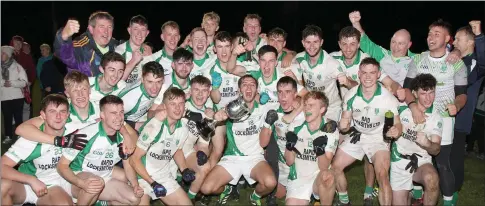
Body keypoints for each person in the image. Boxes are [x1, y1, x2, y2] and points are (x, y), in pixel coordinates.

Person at [401, 19, 468, 206]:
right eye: (430, 34)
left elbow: (463, 94)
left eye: (437, 34)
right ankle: (416, 196)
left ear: (448, 38)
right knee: (414, 155)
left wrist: (457, 105)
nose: (431, 37)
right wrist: (413, 106)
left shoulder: (456, 63)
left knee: (442, 163)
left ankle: (448, 202)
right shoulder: (418, 59)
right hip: (419, 116)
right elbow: (407, 89)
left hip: (444, 119)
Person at [332, 57, 402, 206]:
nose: (368, 76)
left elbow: (397, 123)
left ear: (378, 74)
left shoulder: (387, 98)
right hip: (358, 134)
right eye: (364, 72)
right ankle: (344, 201)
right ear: (358, 74)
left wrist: (397, 131)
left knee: (382, 176)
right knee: (335, 166)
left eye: (372, 72)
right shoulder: (350, 95)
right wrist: (343, 126)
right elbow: (345, 122)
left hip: (378, 138)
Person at [201, 75, 277, 206]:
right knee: (206, 189)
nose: (248, 87)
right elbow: (219, 115)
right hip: (232, 157)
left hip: (254, 158)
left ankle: (255, 195)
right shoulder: (231, 108)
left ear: (257, 90)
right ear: (239, 90)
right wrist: (218, 116)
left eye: (252, 84)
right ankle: (227, 189)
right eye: (244, 85)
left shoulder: (263, 109)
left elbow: (264, 142)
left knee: (270, 183)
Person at [57, 95, 143, 206]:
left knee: (134, 199)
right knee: (96, 183)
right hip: (77, 179)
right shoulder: (85, 135)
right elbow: (61, 166)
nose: (119, 117)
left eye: (121, 112)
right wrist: (82, 184)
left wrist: (135, 185)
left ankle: (102, 202)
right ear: (102, 115)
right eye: (113, 113)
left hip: (104, 177)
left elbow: (127, 165)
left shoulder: (123, 138)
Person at [1, 94, 74, 206]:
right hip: (28, 184)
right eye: (52, 111)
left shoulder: (74, 132)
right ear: (43, 115)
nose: (58, 116)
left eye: (62, 111)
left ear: (68, 114)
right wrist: (31, 180)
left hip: (53, 185)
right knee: (2, 187)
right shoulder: (31, 138)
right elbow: (2, 167)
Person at [130, 87, 194, 206]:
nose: (177, 108)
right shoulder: (154, 126)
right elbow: (134, 159)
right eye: (172, 104)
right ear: (164, 106)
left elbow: (177, 149)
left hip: (163, 176)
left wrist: (184, 169)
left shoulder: (183, 128)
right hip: (143, 177)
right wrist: (152, 183)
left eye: (181, 104)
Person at [391, 74, 442, 206]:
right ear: (415, 93)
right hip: (399, 160)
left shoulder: (436, 117)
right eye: (424, 93)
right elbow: (404, 91)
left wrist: (427, 143)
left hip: (421, 161)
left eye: (432, 93)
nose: (428, 98)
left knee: (432, 179)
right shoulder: (403, 107)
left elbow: (436, 150)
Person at [290, 25, 356, 122]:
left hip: (331, 108)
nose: (312, 46)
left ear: (321, 42)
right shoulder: (299, 59)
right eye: (308, 42)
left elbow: (355, 87)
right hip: (310, 104)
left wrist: (347, 82)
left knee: (328, 133)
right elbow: (299, 85)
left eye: (315, 42)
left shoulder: (331, 64)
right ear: (303, 43)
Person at [284, 91, 339, 206]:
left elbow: (324, 167)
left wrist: (320, 151)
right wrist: (289, 147)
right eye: (305, 105)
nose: (307, 109)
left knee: (328, 176)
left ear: (322, 109)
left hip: (318, 176)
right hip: (299, 177)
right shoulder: (296, 126)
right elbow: (289, 162)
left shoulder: (329, 129)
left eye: (312, 105)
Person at [451, 20, 485, 203]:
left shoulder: (476, 64)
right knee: (437, 156)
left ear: (470, 42)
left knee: (455, 158)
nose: (454, 42)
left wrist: (479, 35)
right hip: (441, 117)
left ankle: (452, 194)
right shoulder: (453, 58)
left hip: (460, 120)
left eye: (458, 39)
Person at [258, 76, 305, 204]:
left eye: (288, 92)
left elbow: (314, 98)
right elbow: (263, 143)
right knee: (279, 194)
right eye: (280, 92)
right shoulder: (274, 112)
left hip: (304, 161)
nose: (283, 97)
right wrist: (267, 124)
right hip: (284, 162)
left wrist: (300, 107)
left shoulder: (305, 112)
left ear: (296, 94)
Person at [54, 11, 119, 76]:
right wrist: (63, 36)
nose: (106, 31)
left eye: (109, 27)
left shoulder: (118, 47)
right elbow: (66, 57)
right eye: (102, 27)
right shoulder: (81, 46)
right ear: (91, 29)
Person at [119, 61, 164, 130]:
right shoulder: (129, 101)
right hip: (127, 123)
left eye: (158, 82)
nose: (154, 88)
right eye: (150, 82)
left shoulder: (163, 87)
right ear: (142, 80)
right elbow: (110, 118)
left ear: (163, 80)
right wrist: (135, 125)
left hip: (142, 117)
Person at [1, 45, 28, 144]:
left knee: (18, 117)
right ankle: (8, 136)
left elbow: (24, 82)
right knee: (7, 117)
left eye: (3, 53)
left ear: (8, 55)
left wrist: (12, 83)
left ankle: (19, 135)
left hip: (17, 97)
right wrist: (3, 83)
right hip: (4, 97)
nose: (1, 55)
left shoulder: (17, 67)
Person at [115, 15, 150, 86]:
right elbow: (115, 80)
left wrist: (150, 59)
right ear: (129, 30)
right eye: (136, 29)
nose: (139, 33)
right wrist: (133, 61)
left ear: (147, 33)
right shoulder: (119, 51)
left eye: (143, 30)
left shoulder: (147, 51)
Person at [150, 20, 181, 88]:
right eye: (169, 34)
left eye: (175, 35)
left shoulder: (187, 57)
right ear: (162, 37)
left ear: (179, 37)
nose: (173, 38)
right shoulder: (154, 59)